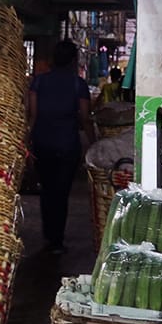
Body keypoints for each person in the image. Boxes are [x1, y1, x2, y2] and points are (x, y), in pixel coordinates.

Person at [27, 39, 96, 254]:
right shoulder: (78, 85)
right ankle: (57, 240)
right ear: (74, 60)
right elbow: (85, 118)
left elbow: (32, 115)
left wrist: (26, 140)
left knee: (47, 191)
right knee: (61, 192)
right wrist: (94, 144)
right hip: (67, 146)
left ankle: (49, 236)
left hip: (42, 143)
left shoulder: (38, 83)